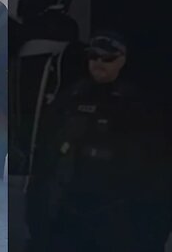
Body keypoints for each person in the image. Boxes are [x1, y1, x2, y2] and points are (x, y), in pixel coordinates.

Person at [26, 31, 172, 252]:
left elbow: (155, 169)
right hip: (69, 211)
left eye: (107, 58)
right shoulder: (72, 96)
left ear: (123, 60)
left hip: (117, 216)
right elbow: (47, 155)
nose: (98, 63)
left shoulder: (140, 106)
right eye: (93, 57)